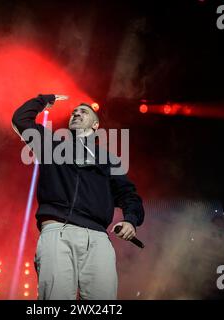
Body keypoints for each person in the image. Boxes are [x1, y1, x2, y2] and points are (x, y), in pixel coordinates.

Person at [12, 94, 145, 300]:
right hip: (58, 231)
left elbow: (129, 195)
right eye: (74, 112)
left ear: (95, 125)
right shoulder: (51, 145)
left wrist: (130, 220)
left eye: (83, 112)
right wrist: (44, 100)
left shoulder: (109, 159)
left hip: (98, 238)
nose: (76, 113)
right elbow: (20, 120)